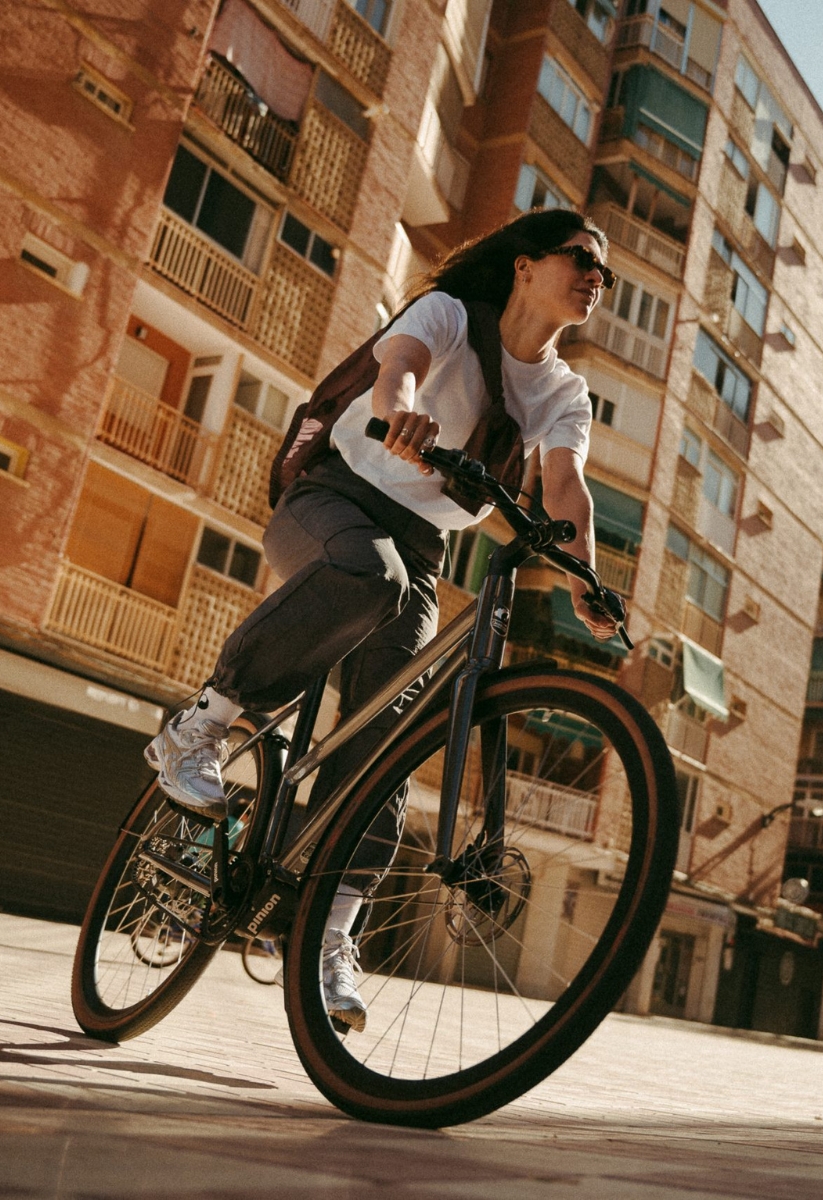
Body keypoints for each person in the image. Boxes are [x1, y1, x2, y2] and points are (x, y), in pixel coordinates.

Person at [145, 207, 620, 1030]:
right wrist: (400, 412)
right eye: (582, 258)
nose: (594, 278)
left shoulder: (562, 391)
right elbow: (395, 367)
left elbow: (565, 483)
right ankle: (201, 726)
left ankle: (326, 940)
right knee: (370, 576)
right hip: (332, 499)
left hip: (427, 548)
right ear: (525, 265)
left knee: (389, 744)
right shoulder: (446, 315)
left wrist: (586, 571)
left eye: (603, 274)